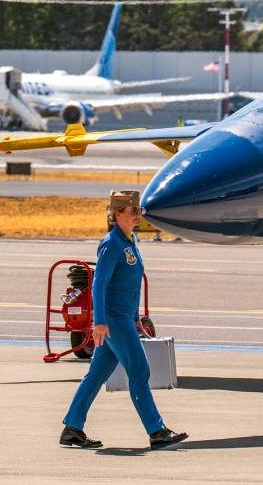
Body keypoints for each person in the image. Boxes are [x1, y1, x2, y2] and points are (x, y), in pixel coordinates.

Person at [60, 190, 188, 450]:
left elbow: (129, 285)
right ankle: (156, 430)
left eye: (138, 211)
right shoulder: (111, 244)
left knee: (96, 375)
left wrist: (136, 317)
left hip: (123, 319)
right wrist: (99, 321)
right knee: (139, 370)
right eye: (133, 211)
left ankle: (72, 428)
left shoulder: (130, 241)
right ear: (117, 214)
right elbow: (99, 284)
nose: (138, 216)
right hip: (113, 321)